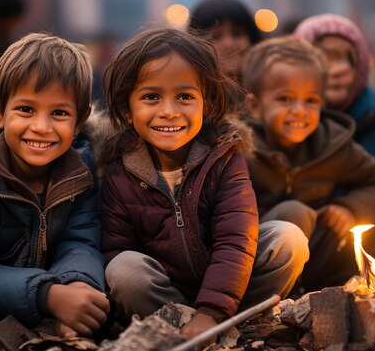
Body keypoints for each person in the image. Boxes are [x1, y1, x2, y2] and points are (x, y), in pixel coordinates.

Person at [100, 28, 309, 342]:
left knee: (287, 239)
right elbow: (116, 248)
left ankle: (238, 326)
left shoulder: (223, 155)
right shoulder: (120, 172)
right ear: (128, 110)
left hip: (232, 284)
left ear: (205, 103)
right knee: (123, 268)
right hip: (167, 296)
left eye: (184, 96)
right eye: (151, 97)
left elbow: (236, 239)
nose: (169, 111)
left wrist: (210, 311)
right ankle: (178, 331)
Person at [0, 32, 109, 338]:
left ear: (80, 121)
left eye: (59, 113)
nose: (41, 126)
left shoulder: (83, 175)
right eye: (26, 109)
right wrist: (48, 296)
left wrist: (80, 286)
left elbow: (81, 243)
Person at [241, 36, 375, 291]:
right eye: (285, 99)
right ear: (256, 106)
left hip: (318, 260)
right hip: (258, 261)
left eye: (311, 100)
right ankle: (276, 302)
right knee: (293, 213)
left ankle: (335, 294)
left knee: (345, 231)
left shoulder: (331, 144)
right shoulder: (240, 148)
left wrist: (350, 209)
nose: (300, 110)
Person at [294, 14, 375, 160]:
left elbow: (371, 176)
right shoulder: (286, 108)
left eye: (351, 59)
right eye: (323, 57)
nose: (341, 69)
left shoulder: (374, 115)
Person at [187, 0, 261, 83]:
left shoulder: (270, 88)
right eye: (215, 36)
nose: (228, 44)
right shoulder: (190, 94)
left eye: (236, 33)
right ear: (195, 45)